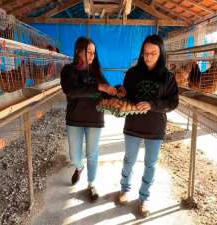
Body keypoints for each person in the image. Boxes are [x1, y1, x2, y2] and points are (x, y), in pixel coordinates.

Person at [117, 34, 179, 217]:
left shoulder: (167, 77)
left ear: (161, 53)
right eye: (145, 53)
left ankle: (144, 197)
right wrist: (121, 94)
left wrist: (153, 105)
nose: (148, 57)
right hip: (133, 124)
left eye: (153, 53)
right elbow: (126, 94)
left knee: (150, 164)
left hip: (155, 126)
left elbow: (173, 102)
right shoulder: (132, 73)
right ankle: (125, 188)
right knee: (129, 159)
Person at [60, 37, 117, 201]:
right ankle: (79, 167)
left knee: (92, 154)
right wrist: (98, 87)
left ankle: (91, 184)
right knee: (74, 156)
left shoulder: (97, 72)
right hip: (75, 119)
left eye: (93, 52)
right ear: (78, 51)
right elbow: (72, 91)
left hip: (95, 119)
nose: (92, 55)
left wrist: (117, 90)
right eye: (88, 52)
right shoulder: (68, 70)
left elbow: (107, 90)